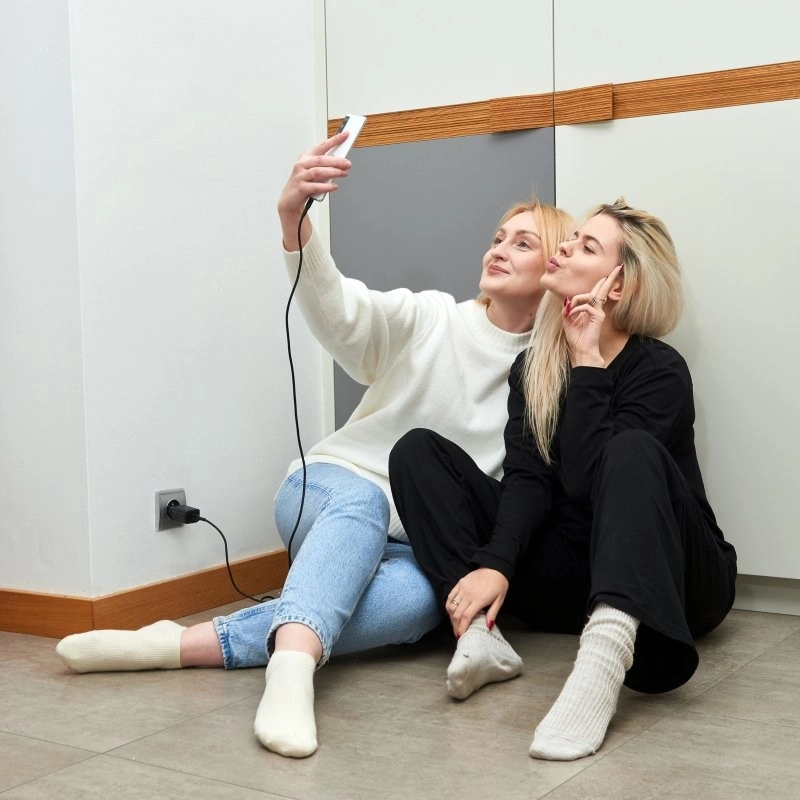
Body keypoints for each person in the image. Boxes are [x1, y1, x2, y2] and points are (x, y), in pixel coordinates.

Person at [55, 130, 574, 759]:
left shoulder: (549, 377)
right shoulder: (433, 318)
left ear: (555, 269)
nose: (498, 249)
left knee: (420, 607)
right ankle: (292, 672)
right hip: (329, 492)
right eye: (498, 237)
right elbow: (344, 313)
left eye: (523, 243)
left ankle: (177, 644)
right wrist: (294, 223)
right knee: (363, 505)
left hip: (413, 544)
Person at [389, 198, 738, 762]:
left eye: (587, 245)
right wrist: (496, 563)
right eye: (572, 237)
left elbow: (593, 484)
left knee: (629, 449)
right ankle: (479, 634)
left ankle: (603, 660)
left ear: (619, 285)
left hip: (675, 580)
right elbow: (528, 479)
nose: (567, 247)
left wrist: (589, 363)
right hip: (572, 576)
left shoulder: (659, 369)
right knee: (417, 452)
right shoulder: (534, 367)